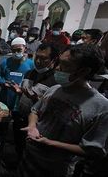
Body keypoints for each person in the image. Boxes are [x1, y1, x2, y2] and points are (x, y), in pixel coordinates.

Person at [18, 44, 108, 177]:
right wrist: (32, 127)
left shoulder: (100, 107)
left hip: (56, 169)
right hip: (29, 159)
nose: (57, 68)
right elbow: (35, 111)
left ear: (83, 71)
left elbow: (92, 150)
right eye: (58, 63)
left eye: (65, 65)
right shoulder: (55, 89)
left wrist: (49, 143)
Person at [14, 43, 59, 159]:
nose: (38, 61)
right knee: (18, 144)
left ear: (53, 59)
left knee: (31, 151)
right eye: (36, 57)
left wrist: (36, 99)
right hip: (20, 117)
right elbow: (23, 92)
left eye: (43, 58)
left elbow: (54, 108)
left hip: (37, 124)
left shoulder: (55, 80)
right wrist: (20, 91)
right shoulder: (29, 73)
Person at [0, 37, 34, 159]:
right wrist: (3, 83)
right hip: (5, 99)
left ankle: (17, 155)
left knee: (18, 131)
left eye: (19, 50)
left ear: (25, 48)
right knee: (1, 128)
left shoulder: (31, 65)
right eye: (14, 50)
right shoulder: (5, 63)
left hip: (20, 102)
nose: (16, 53)